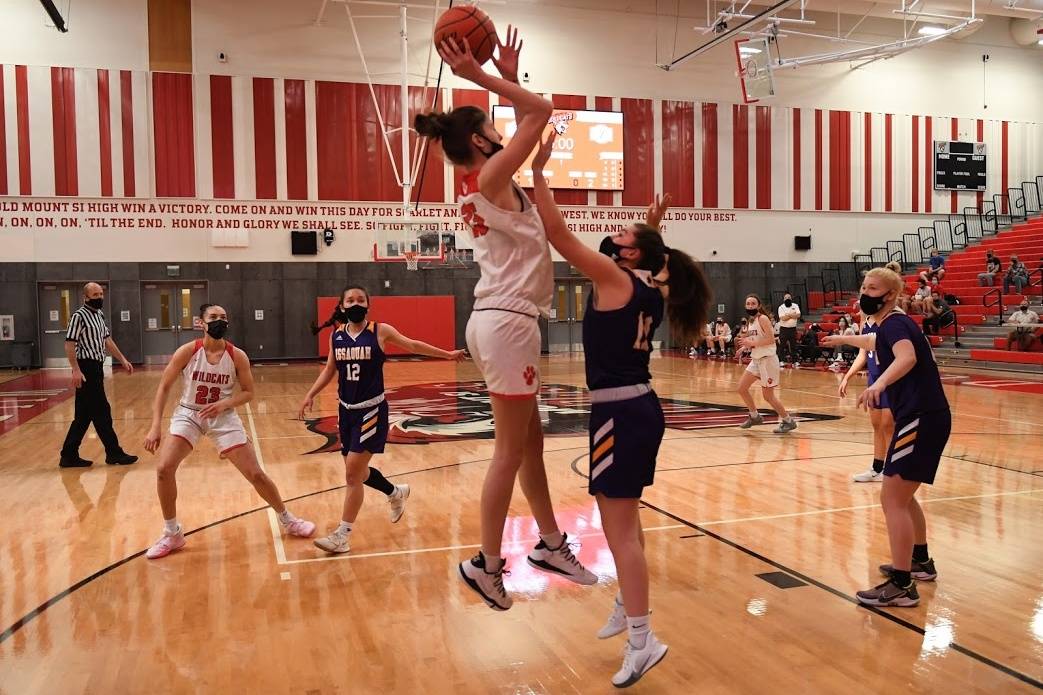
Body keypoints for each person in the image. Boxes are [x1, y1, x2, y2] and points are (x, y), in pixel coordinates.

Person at [415, 29, 597, 610]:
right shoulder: (489, 179)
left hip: (502, 319)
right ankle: (486, 563)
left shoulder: (489, 181)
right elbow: (542, 111)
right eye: (495, 126)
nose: (504, 130)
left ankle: (548, 543)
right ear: (478, 138)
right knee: (508, 452)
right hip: (506, 322)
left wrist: (508, 77)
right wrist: (485, 77)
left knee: (532, 445)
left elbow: (529, 115)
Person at [532, 132, 711, 687]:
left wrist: (537, 171)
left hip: (621, 413)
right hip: (634, 409)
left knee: (622, 533)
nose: (613, 232)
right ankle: (629, 606)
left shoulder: (616, 279)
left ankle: (643, 639)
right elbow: (654, 254)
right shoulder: (649, 287)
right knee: (625, 526)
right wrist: (653, 220)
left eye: (623, 232)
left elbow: (559, 233)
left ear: (631, 254)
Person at [298, 286, 466, 553]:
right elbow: (330, 369)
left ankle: (342, 535)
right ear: (342, 306)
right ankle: (395, 492)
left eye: (360, 300)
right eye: (350, 300)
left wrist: (447, 354)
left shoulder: (380, 331)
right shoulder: (337, 335)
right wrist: (310, 395)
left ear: (368, 305)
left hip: (371, 411)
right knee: (360, 472)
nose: (355, 303)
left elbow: (412, 345)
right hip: (346, 411)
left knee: (352, 474)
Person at [142, 304, 316, 559]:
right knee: (164, 469)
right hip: (189, 413)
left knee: (256, 474)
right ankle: (172, 533)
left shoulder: (237, 356)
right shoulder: (188, 352)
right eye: (213, 317)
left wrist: (225, 403)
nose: (219, 321)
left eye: (223, 317)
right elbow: (164, 387)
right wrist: (155, 425)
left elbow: (248, 392)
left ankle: (288, 519)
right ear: (201, 323)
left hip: (223, 417)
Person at [821, 267, 950, 607]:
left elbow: (905, 357)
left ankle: (902, 585)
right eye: (863, 286)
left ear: (890, 295)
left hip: (921, 418)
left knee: (892, 498)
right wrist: (843, 340)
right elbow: (874, 343)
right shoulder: (890, 325)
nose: (865, 291)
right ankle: (919, 561)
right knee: (903, 496)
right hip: (924, 416)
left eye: (873, 287)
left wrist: (878, 383)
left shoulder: (894, 323)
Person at [59, 282, 138, 468]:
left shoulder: (99, 315)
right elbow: (69, 344)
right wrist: (76, 369)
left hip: (96, 367)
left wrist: (122, 359)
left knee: (83, 416)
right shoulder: (78, 317)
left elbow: (107, 341)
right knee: (102, 411)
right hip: (85, 368)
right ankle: (114, 453)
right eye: (95, 295)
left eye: (101, 294)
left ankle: (69, 454)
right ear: (85, 297)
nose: (99, 297)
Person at [834, 310, 897, 483]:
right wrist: (847, 377)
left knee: (888, 424)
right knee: (877, 424)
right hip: (873, 377)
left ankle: (892, 470)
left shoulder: (891, 318)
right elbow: (863, 354)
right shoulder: (865, 321)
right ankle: (877, 468)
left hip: (890, 377)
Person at [736, 294, 797, 433]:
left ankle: (788, 421)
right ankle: (754, 416)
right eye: (748, 303)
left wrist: (750, 343)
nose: (750, 305)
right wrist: (744, 347)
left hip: (768, 360)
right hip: (756, 360)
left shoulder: (762, 318)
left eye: (753, 303)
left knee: (768, 396)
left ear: (758, 305)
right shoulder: (751, 321)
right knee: (741, 388)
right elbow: (755, 340)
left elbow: (770, 340)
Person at [777, 293, 801, 367]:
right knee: (782, 346)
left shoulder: (795, 305)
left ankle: (795, 361)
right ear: (784, 299)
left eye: (789, 297)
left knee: (794, 345)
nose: (787, 298)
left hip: (793, 329)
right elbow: (782, 318)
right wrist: (792, 315)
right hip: (784, 329)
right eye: (786, 297)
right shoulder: (781, 307)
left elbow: (798, 315)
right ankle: (781, 360)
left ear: (791, 298)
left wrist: (788, 315)